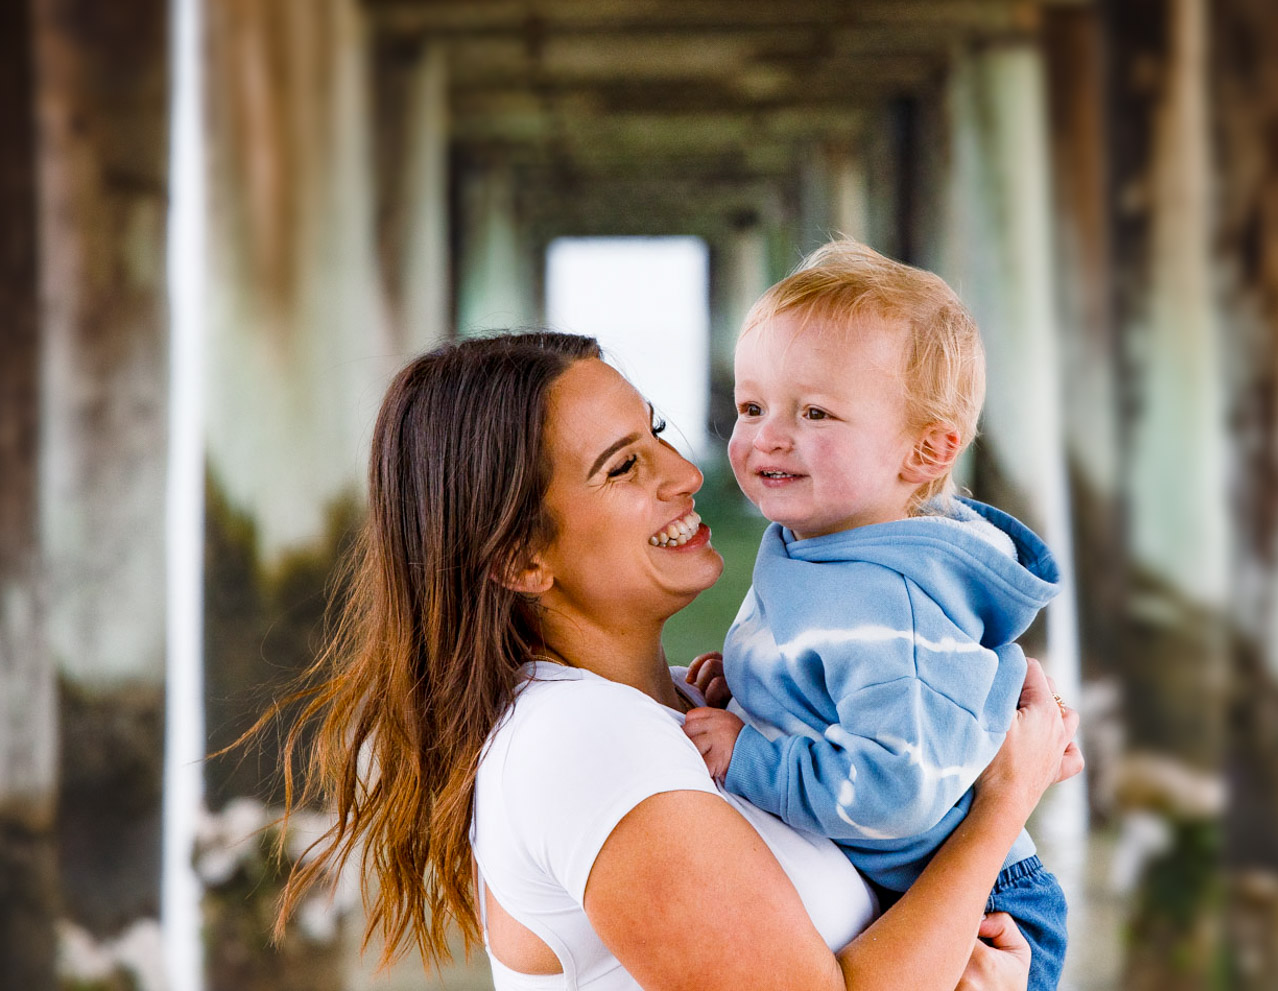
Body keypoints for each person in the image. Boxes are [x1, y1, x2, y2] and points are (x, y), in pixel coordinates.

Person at [268, 332, 1081, 991]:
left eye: (657, 431)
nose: (688, 473)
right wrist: (999, 814)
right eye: (624, 466)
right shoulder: (585, 742)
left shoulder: (684, 711)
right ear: (521, 559)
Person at [682, 242, 1070, 990]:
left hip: (980, 905)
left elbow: (894, 788)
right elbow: (842, 681)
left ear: (926, 451)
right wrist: (760, 690)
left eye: (816, 412)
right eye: (752, 406)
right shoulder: (821, 539)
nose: (767, 436)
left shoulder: (890, 600)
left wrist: (750, 756)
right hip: (913, 877)